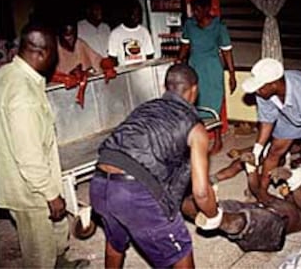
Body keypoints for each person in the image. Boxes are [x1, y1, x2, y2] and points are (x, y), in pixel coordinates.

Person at [89, 64, 221, 268]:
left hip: (99, 184)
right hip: (134, 194)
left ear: (165, 87)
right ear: (194, 89)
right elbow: (201, 193)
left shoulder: (145, 107)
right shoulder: (195, 128)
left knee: (115, 241)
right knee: (181, 250)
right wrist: (214, 215)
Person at [0, 22, 90, 268]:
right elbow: (28, 155)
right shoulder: (23, 95)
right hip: (29, 189)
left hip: (31, 178)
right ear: (42, 53)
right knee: (39, 249)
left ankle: (60, 261)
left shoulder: (6, 73)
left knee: (55, 232)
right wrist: (50, 194)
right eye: (53, 55)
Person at [241, 58, 301, 234]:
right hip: (290, 110)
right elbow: (267, 121)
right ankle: (261, 194)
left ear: (274, 83)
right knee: (275, 150)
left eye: (260, 87)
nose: (257, 90)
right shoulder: (264, 91)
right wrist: (257, 149)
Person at [177, 0, 237, 155]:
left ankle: (218, 140)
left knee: (214, 102)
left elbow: (227, 51)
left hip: (212, 69)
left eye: (197, 10)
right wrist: (178, 61)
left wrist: (232, 74)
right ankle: (197, 138)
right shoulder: (189, 25)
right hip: (194, 66)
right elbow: (185, 46)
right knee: (194, 103)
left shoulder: (219, 26)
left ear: (207, 9)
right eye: (193, 10)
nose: (194, 14)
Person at [108, 1, 154, 66]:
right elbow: (112, 58)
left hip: (143, 72)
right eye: (133, 15)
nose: (136, 18)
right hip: (124, 73)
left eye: (138, 15)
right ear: (126, 15)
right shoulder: (115, 33)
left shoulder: (144, 31)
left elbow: (150, 54)